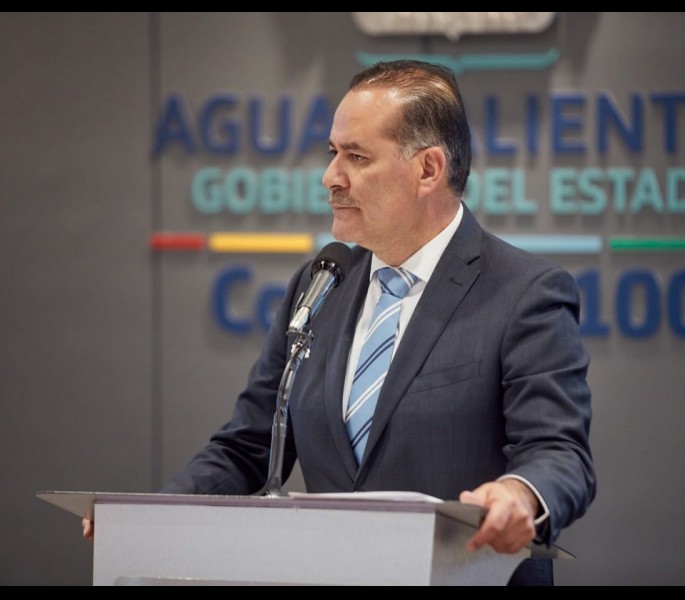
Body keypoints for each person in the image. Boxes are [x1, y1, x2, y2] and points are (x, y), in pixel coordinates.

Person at [83, 59, 595, 586]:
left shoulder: (524, 291)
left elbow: (559, 453)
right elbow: (248, 448)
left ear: (428, 170)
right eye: (333, 153)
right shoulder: (321, 284)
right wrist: (146, 518)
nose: (331, 177)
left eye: (356, 156)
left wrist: (518, 496)